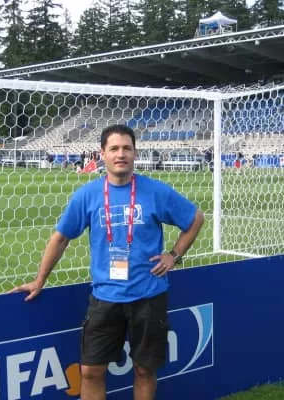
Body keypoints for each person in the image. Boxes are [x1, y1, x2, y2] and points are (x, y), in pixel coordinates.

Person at [10, 124, 204, 400]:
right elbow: (60, 239)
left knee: (144, 370)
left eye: (126, 148)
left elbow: (195, 218)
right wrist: (39, 280)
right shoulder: (87, 195)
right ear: (102, 154)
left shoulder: (155, 191)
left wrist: (173, 255)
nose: (120, 154)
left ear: (135, 153)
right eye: (114, 148)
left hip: (149, 296)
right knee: (90, 372)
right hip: (105, 297)